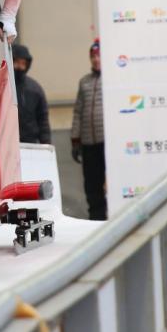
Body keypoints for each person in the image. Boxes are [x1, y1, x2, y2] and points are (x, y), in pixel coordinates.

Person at [70, 38, 106, 220]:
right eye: (93, 56)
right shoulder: (84, 82)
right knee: (92, 183)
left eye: (99, 56)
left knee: (109, 183)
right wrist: (75, 140)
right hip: (88, 143)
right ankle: (96, 217)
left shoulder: (112, 80)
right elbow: (78, 111)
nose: (96, 60)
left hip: (107, 142)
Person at [12, 45, 51, 145]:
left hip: (30, 144)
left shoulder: (35, 89)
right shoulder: (1, 87)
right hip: (6, 144)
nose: (20, 67)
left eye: (23, 63)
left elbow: (43, 119)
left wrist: (46, 143)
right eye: (16, 62)